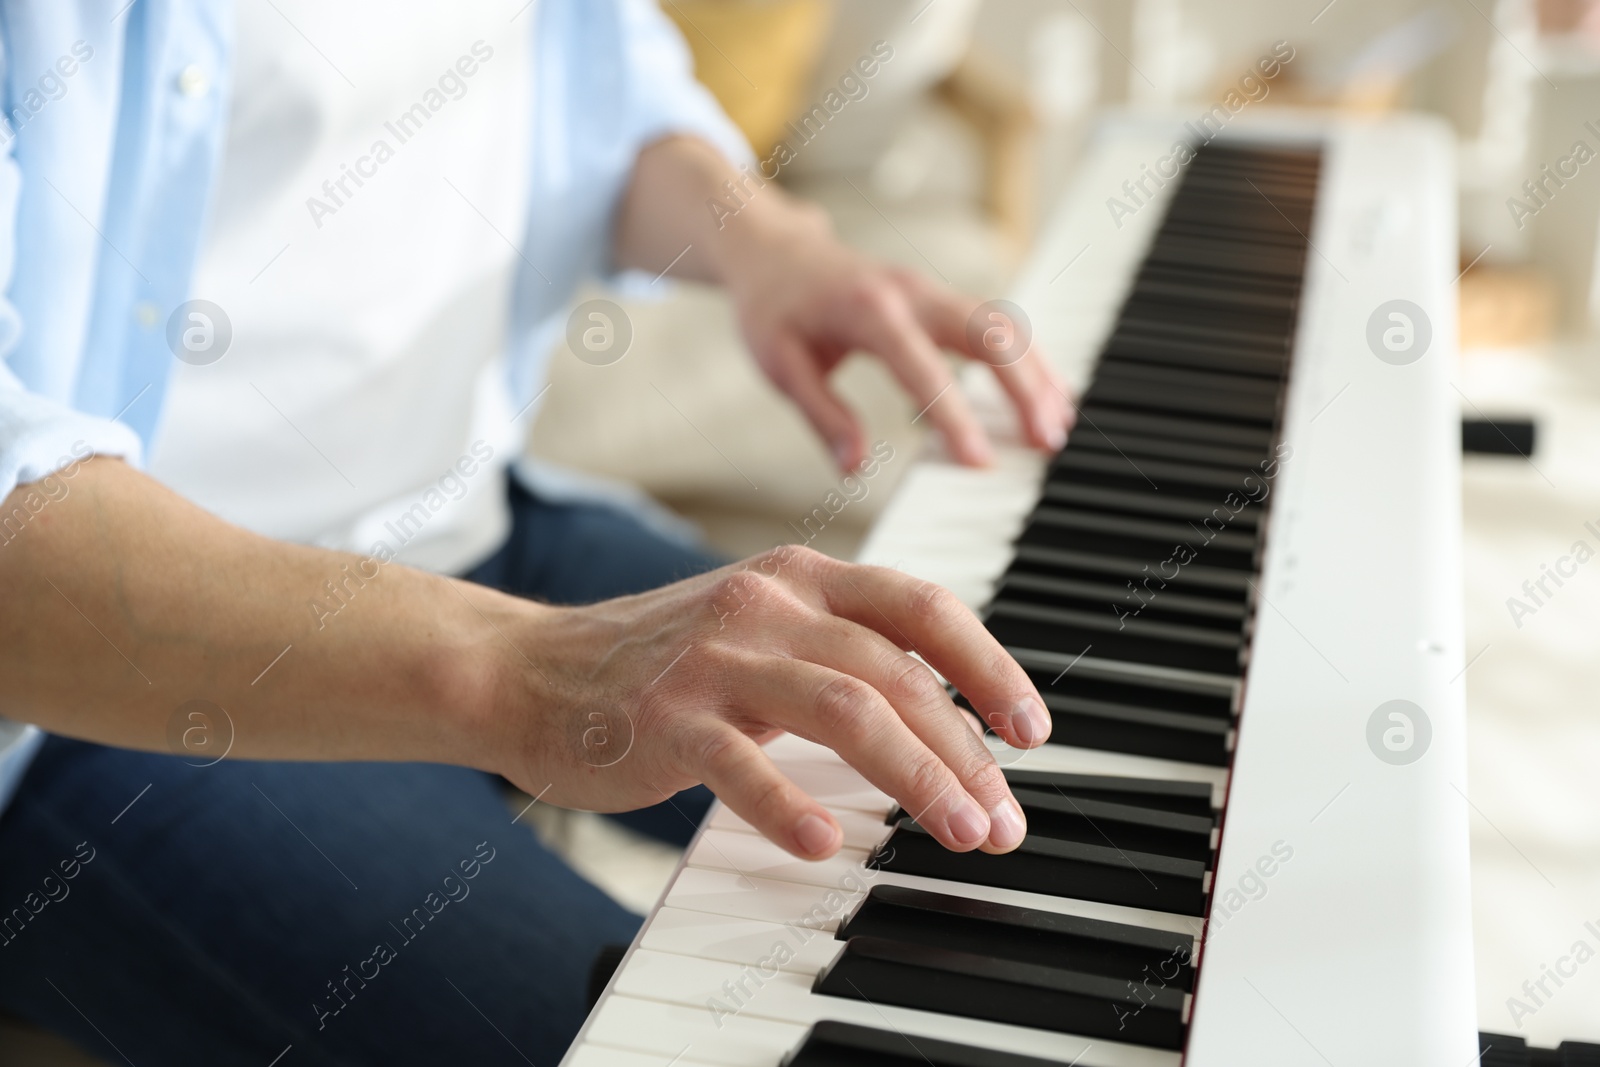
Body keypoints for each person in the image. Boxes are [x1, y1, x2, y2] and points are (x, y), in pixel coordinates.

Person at [0, 2, 1072, 1063]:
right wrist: (528, 675)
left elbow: (595, 88)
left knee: (1021, 803)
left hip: (474, 530)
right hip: (107, 694)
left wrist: (776, 248)